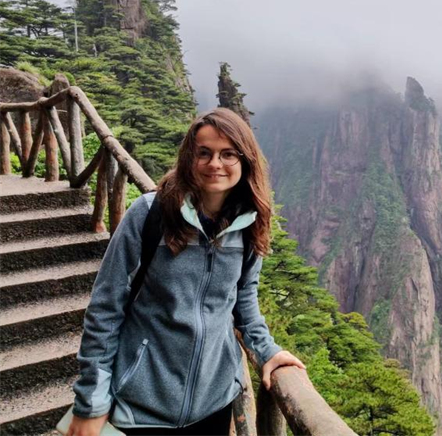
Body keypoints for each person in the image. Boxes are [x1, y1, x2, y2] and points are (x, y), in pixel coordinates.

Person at [67, 108, 306, 436]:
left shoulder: (248, 224)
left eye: (228, 154)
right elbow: (104, 311)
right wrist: (91, 401)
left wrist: (267, 350)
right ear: (189, 158)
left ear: (245, 160)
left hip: (214, 403)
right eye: (204, 153)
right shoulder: (150, 214)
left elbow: (244, 301)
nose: (215, 164)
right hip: (142, 406)